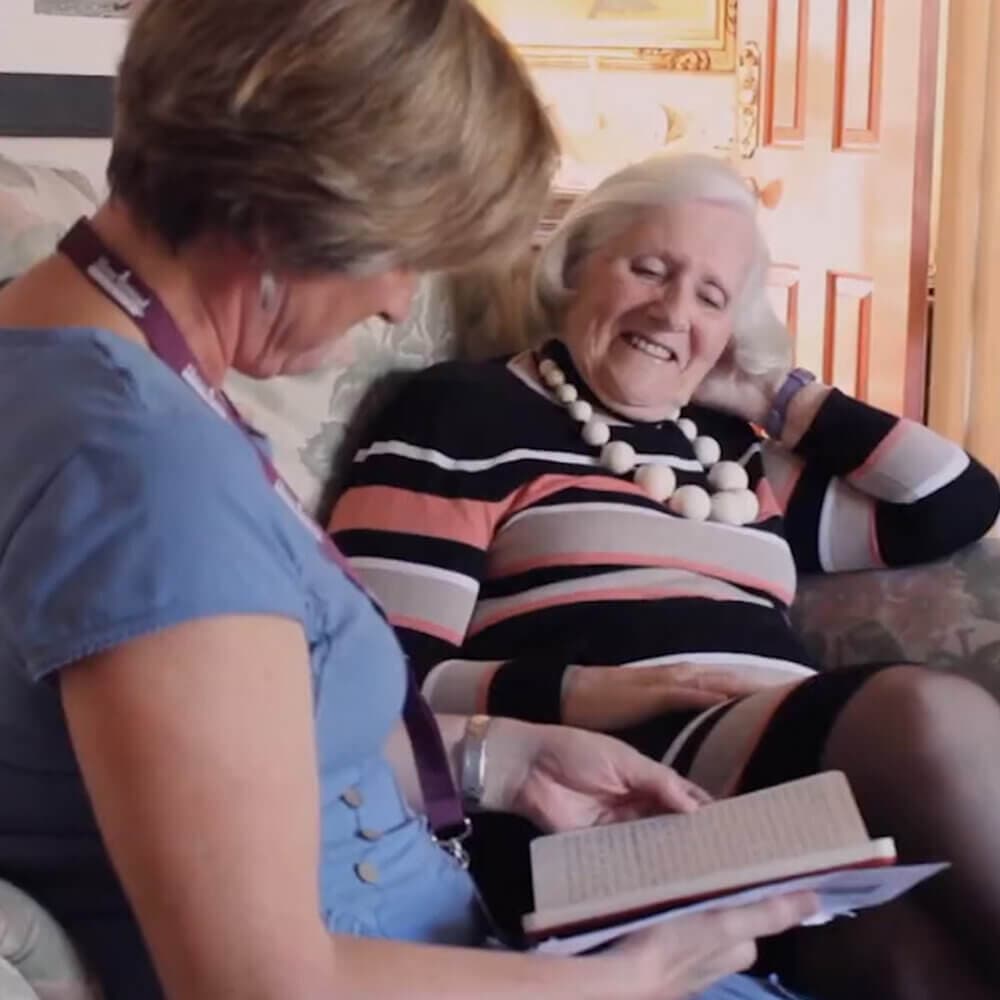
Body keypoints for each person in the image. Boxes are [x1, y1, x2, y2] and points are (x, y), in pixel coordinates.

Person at [0, 6, 822, 1000]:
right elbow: (260, 985)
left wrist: (501, 762)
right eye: (400, 254)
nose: (399, 301)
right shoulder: (144, 470)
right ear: (282, 212)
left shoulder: (63, 352)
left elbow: (229, 745)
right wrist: (637, 976)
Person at [329, 153, 1000, 1000]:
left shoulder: (729, 453)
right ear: (575, 268)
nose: (673, 310)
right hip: (607, 792)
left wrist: (772, 394)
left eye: (712, 298)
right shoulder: (465, 410)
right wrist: (584, 693)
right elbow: (374, 683)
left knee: (912, 959)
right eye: (649, 269)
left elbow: (954, 503)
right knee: (920, 712)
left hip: (792, 787)